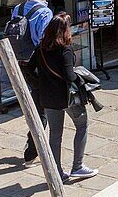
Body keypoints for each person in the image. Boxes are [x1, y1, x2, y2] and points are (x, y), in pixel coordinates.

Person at [26, 13, 97, 182]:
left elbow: (29, 70)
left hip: (48, 98)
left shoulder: (41, 49)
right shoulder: (65, 50)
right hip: (67, 97)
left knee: (55, 135)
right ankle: (78, 166)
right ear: (65, 31)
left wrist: (40, 84)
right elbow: (69, 76)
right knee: (82, 126)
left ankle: (56, 172)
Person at [16, 0, 55, 164]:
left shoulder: (18, 8)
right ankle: (32, 151)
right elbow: (43, 41)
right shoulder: (45, 13)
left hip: (20, 62)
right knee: (41, 108)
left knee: (34, 102)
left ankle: (32, 147)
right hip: (36, 63)